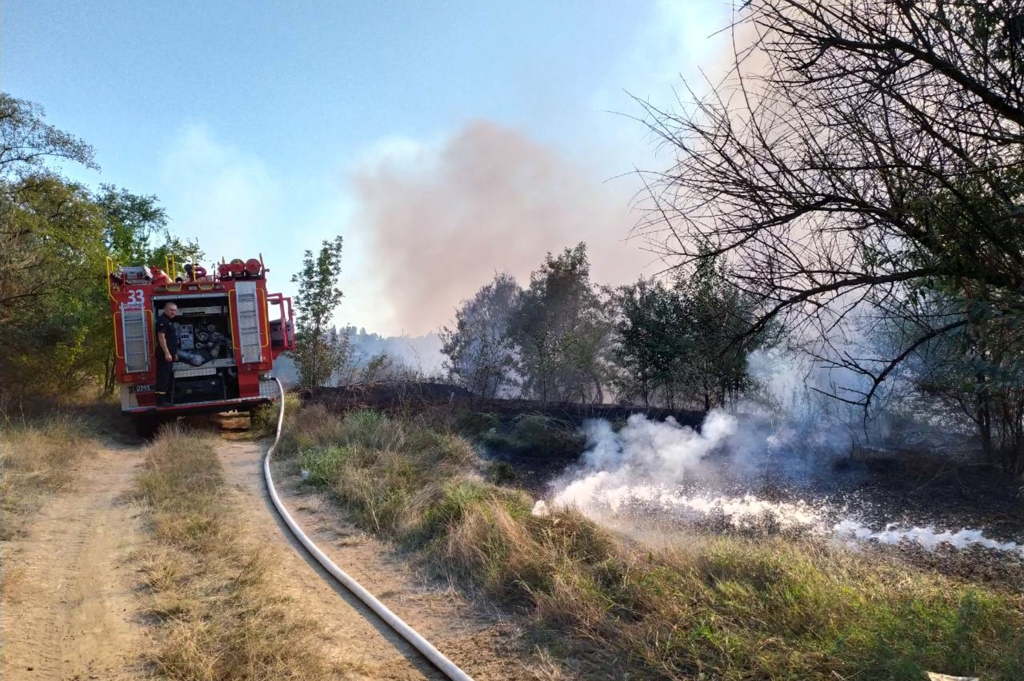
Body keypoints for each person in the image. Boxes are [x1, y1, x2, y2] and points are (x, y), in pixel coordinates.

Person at [155, 302, 179, 406]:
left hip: (170, 354)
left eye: (175, 310)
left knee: (168, 377)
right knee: (163, 378)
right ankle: (161, 401)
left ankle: (168, 399)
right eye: (171, 310)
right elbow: (161, 337)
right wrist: (167, 353)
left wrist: (174, 354)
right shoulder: (163, 321)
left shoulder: (168, 321)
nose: (173, 312)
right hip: (164, 355)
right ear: (165, 310)